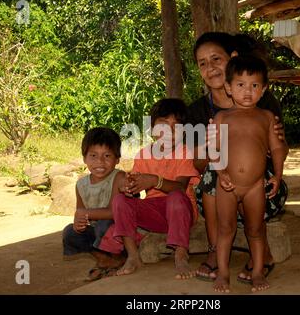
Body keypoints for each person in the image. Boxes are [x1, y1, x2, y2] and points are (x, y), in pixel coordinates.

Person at [187, 32, 289, 283]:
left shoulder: (262, 104)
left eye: (215, 59)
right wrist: (212, 151)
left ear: (232, 58)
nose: (210, 68)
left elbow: (278, 148)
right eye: (202, 63)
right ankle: (216, 254)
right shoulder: (199, 112)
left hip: (260, 186)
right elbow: (199, 165)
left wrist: (276, 158)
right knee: (213, 173)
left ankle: (260, 254)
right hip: (223, 188)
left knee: (248, 182)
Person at [98, 98, 200, 279]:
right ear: (153, 128)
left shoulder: (185, 152)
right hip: (154, 214)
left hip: (181, 212)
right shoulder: (143, 154)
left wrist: (155, 181)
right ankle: (132, 256)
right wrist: (128, 186)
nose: (170, 130)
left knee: (176, 197)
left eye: (177, 126)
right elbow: (135, 187)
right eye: (164, 124)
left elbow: (181, 187)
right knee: (120, 200)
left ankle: (181, 254)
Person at [212, 56, 287, 292]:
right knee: (226, 230)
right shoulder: (222, 117)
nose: (247, 91)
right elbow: (214, 150)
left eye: (254, 85)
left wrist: (277, 175)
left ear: (263, 89)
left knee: (255, 230)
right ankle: (223, 273)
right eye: (241, 85)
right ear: (229, 88)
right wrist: (221, 172)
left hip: (256, 185)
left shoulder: (265, 117)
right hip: (227, 185)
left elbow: (276, 148)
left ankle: (257, 271)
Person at [62, 127, 127, 281]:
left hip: (120, 231)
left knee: (104, 225)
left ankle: (120, 257)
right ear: (84, 158)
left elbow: (114, 212)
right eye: (93, 155)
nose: (100, 162)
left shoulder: (119, 177)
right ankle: (105, 261)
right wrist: (79, 223)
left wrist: (84, 214)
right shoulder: (81, 185)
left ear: (117, 159)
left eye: (107, 155)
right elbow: (80, 213)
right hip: (99, 232)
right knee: (70, 232)